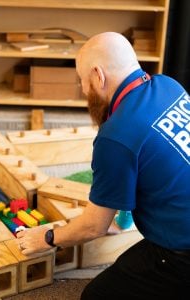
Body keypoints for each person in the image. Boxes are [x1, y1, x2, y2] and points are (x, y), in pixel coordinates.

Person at [17, 32, 190, 299]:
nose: (84, 90)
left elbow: (92, 227)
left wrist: (47, 238)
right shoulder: (170, 86)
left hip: (181, 254)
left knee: (96, 295)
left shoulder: (117, 135)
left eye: (83, 81)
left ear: (98, 75)